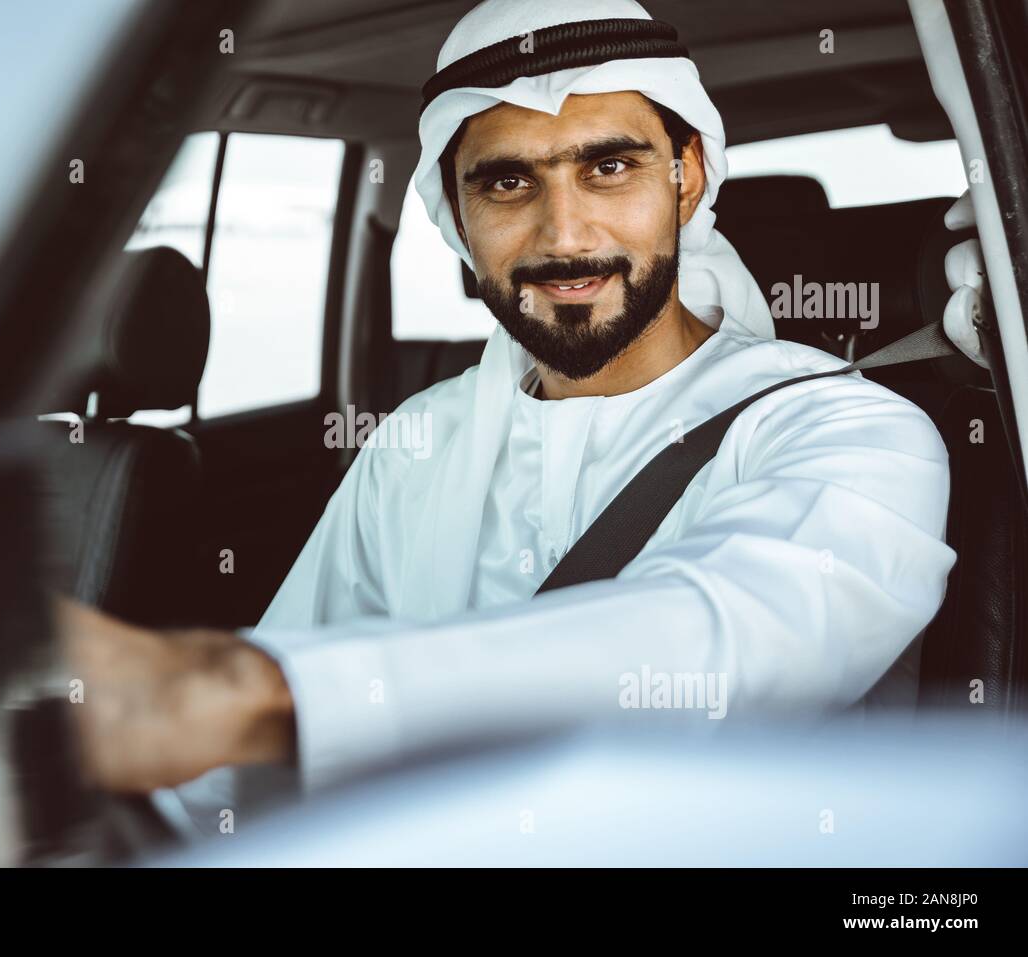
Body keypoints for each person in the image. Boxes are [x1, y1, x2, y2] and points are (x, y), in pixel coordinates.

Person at [58, 0, 956, 831]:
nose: (565, 235)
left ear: (685, 181)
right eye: (508, 183)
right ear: (456, 214)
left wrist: (246, 692)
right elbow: (245, 764)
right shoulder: (413, 447)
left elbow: (720, 641)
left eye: (610, 167)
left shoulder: (847, 430)